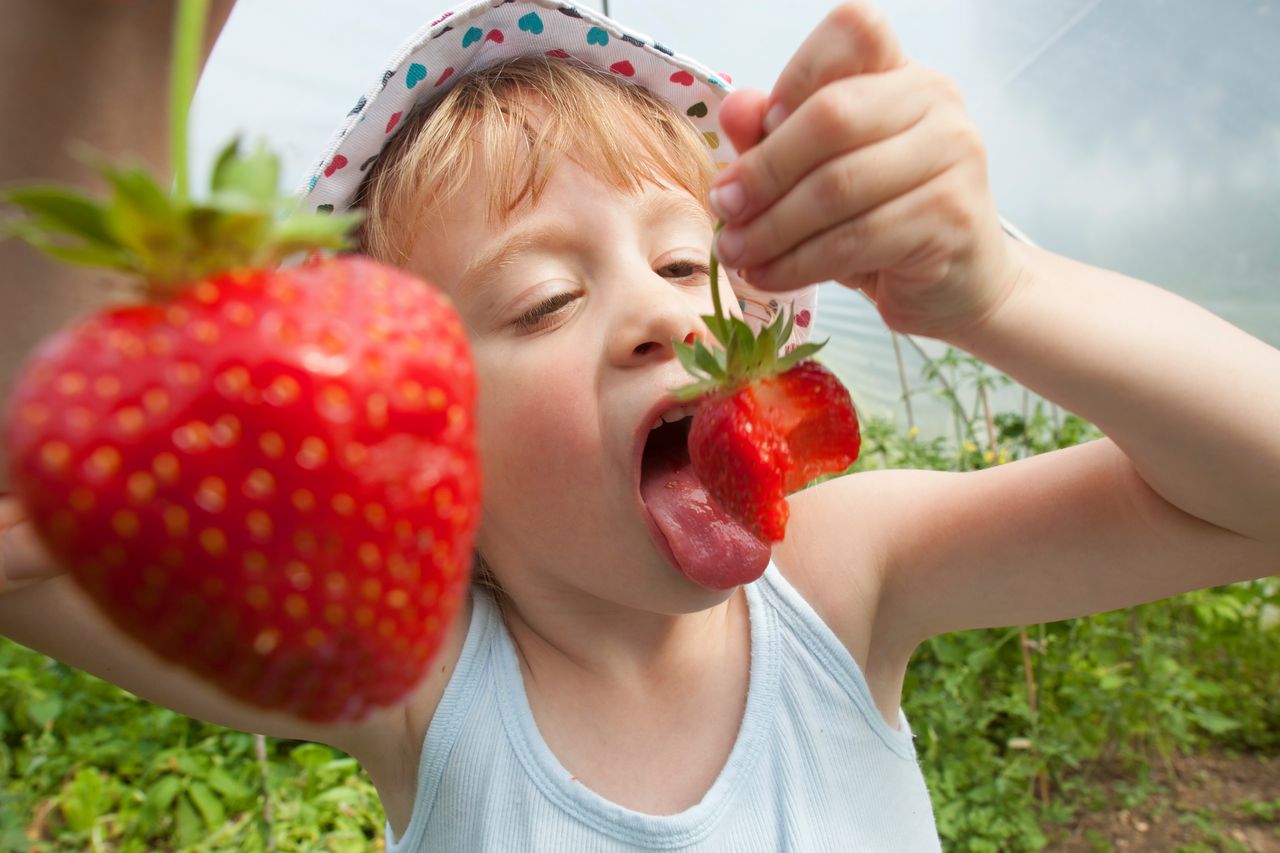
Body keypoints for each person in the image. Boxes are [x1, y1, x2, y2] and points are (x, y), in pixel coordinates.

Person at [2, 1, 1278, 849]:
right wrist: (90, 42)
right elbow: (35, 509)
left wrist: (1003, 293)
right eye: (543, 297)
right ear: (427, 449)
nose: (655, 316)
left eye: (684, 263)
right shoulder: (420, 688)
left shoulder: (840, 580)